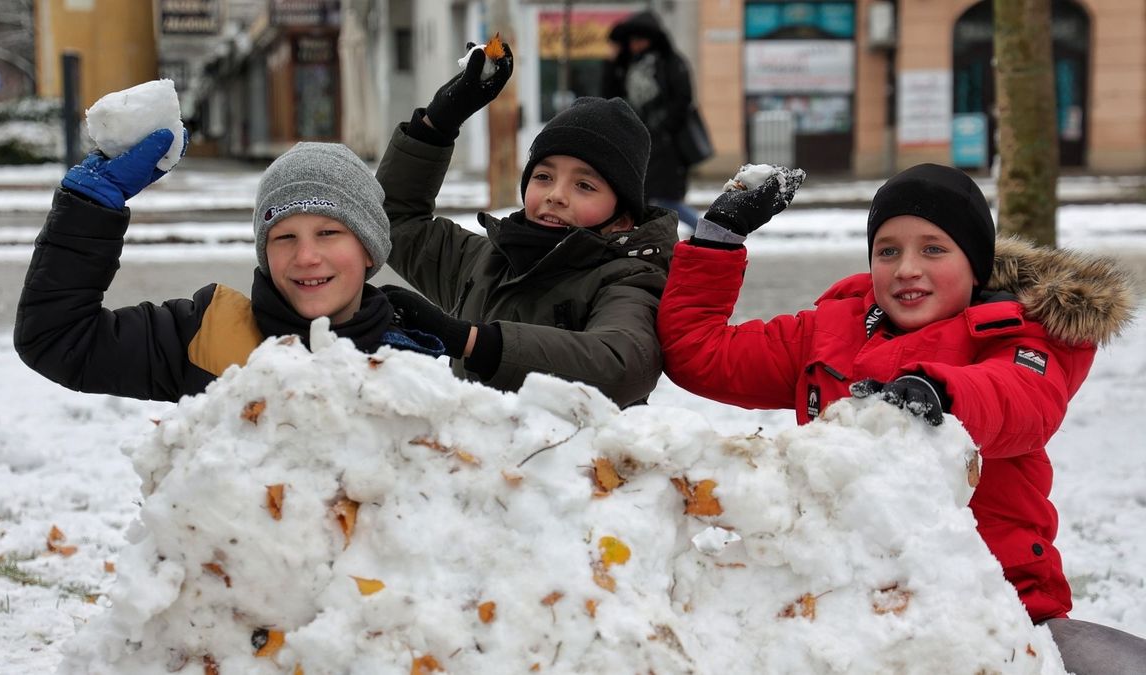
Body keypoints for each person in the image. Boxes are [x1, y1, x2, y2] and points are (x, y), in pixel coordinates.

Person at [657, 163, 1145, 673]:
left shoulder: (1020, 339)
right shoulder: (827, 333)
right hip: (843, 601)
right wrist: (717, 241)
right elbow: (699, 353)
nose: (906, 268)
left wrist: (941, 394)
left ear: (975, 264)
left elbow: (1021, 401)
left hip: (1001, 611)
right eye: (887, 251)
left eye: (933, 249)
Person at [14, 130, 443, 402]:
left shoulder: (418, 356)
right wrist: (89, 209)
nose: (306, 256)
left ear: (370, 249)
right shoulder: (208, 336)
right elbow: (57, 340)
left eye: (329, 233)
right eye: (284, 237)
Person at [374, 40, 677, 408]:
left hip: (571, 463)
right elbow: (394, 221)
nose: (556, 195)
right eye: (544, 177)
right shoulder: (484, 262)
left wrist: (470, 341)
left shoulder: (629, 278)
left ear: (623, 218)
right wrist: (436, 124)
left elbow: (623, 364)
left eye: (584, 185)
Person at [602, 10, 700, 231]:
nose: (636, 45)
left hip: (665, 147)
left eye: (641, 39)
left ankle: (706, 231)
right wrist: (612, 62)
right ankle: (645, 243)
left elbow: (683, 98)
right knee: (641, 198)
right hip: (636, 141)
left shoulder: (670, 63)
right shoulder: (626, 65)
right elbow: (609, 97)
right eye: (632, 40)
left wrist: (663, 129)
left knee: (666, 200)